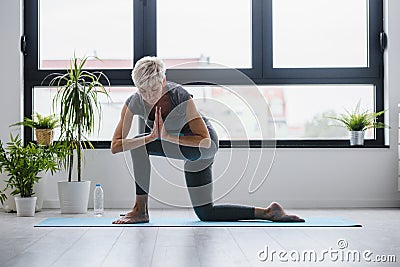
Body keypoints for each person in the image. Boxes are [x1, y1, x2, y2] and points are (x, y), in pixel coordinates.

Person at [111, 56, 305, 224]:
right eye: (143, 91)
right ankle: (269, 212)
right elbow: (116, 146)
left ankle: (140, 209)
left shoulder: (179, 95)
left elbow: (204, 140)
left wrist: (167, 137)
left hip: (203, 146)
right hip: (181, 147)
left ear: (163, 81)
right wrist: (152, 137)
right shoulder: (134, 103)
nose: (149, 96)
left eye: (154, 89)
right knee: (206, 213)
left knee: (140, 144)